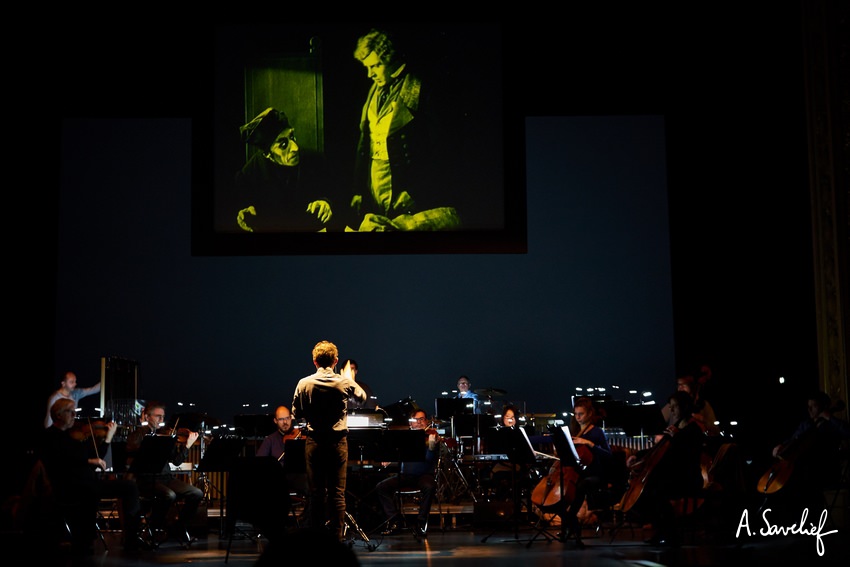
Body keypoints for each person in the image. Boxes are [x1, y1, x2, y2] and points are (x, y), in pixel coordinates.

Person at [348, 28, 461, 232]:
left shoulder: (420, 89)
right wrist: (358, 190)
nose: (369, 74)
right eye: (367, 67)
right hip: (374, 182)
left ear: (390, 58)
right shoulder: (374, 89)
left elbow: (441, 151)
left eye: (375, 66)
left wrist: (416, 192)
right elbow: (364, 143)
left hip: (405, 185)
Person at [35, 398, 142, 556]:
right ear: (58, 415)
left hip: (88, 483)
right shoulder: (50, 436)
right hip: (69, 486)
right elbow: (59, 460)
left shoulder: (73, 438)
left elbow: (97, 458)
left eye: (74, 411)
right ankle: (84, 540)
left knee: (129, 486)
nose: (74, 415)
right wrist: (87, 460)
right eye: (70, 411)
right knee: (90, 493)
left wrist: (107, 438)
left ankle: (132, 538)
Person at [291, 340, 367, 543]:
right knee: (337, 494)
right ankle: (336, 540)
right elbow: (362, 398)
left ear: (314, 361)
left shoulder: (304, 383)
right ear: (335, 361)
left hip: (314, 442)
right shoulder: (343, 382)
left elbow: (296, 413)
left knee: (315, 493)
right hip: (337, 443)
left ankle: (316, 540)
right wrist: (349, 378)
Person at [624, 390, 705, 547]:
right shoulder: (676, 427)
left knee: (655, 491)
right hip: (674, 476)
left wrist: (677, 438)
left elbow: (687, 454)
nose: (672, 410)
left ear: (685, 407)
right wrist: (638, 455)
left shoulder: (693, 429)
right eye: (671, 406)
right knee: (651, 489)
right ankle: (663, 530)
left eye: (675, 406)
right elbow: (659, 448)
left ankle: (669, 532)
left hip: (688, 477)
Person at [234, 107, 334, 232]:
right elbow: (240, 209)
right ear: (268, 155)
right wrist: (244, 214)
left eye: (292, 137)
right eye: (283, 145)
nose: (295, 148)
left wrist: (327, 202)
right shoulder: (249, 174)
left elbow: (337, 195)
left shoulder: (315, 160)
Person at [125, 400, 203, 546]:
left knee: (197, 493)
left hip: (167, 478)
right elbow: (131, 451)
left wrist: (187, 445)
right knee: (169, 495)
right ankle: (154, 529)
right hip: (146, 479)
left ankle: (178, 527)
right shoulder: (137, 434)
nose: (161, 420)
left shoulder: (166, 435)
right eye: (158, 416)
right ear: (147, 417)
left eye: (163, 417)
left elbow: (177, 461)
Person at [762, 390, 850, 520]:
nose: (809, 409)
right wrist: (781, 446)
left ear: (823, 407)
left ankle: (803, 521)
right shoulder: (806, 424)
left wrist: (829, 417)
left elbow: (847, 432)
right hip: (807, 471)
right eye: (808, 406)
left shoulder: (831, 424)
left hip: (825, 469)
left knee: (800, 485)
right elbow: (794, 439)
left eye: (813, 406)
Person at [557, 397, 614, 545]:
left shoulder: (597, 432)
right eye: (575, 414)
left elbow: (608, 455)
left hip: (596, 475)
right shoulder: (576, 432)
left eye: (581, 414)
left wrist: (589, 444)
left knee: (581, 486)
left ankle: (571, 521)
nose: (577, 417)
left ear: (589, 413)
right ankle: (571, 523)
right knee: (565, 489)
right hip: (580, 474)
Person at [375, 408, 439, 537]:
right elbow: (401, 456)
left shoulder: (431, 436)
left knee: (430, 486)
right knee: (381, 487)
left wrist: (431, 448)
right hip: (405, 475)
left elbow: (429, 460)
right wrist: (390, 459)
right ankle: (394, 521)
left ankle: (421, 523)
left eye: (422, 419)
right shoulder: (404, 437)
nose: (419, 422)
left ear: (426, 422)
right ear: (411, 423)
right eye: (416, 419)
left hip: (424, 475)